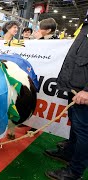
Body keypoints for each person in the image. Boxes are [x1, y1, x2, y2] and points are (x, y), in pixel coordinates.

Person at [45, 18, 88, 180]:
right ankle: (69, 152)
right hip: (76, 85)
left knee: (84, 131)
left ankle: (74, 172)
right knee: (76, 124)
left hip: (84, 89)